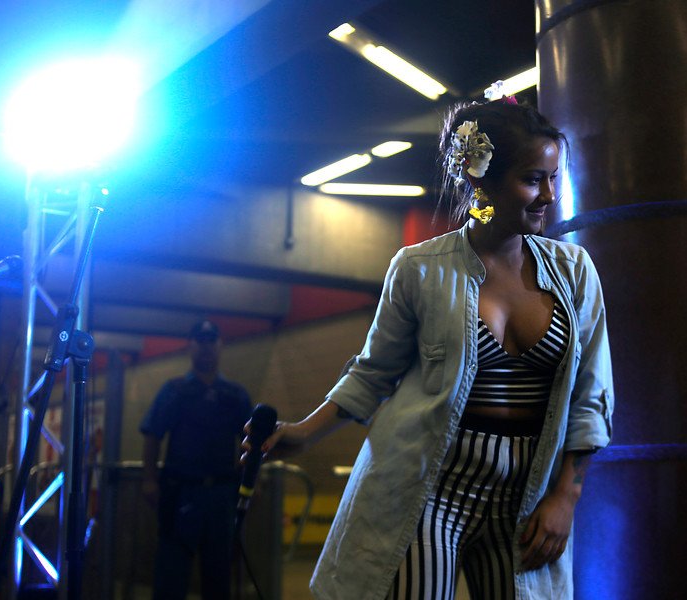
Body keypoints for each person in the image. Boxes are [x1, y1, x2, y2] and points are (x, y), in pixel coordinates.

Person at [245, 95, 614, 600]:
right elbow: (373, 373)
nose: (549, 195)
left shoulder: (574, 272)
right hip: (429, 490)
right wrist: (304, 433)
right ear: (480, 179)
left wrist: (565, 498)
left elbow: (591, 395)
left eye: (553, 178)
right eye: (533, 179)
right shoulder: (419, 268)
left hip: (525, 499)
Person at [141, 319, 253, 600]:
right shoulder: (173, 390)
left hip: (221, 496)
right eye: (200, 341)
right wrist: (149, 480)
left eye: (211, 340)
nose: (206, 346)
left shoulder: (235, 395)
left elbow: (252, 444)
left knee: (219, 578)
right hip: (180, 493)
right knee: (170, 576)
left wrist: (253, 482)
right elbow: (152, 435)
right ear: (190, 346)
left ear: (220, 345)